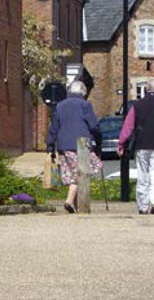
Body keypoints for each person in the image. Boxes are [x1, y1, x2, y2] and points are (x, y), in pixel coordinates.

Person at [117, 79, 154, 214]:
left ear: (145, 90)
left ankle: (143, 206)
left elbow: (128, 126)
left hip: (141, 144)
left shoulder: (137, 106)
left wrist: (121, 143)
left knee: (142, 176)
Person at [46, 81, 102, 213]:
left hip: (63, 146)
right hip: (80, 145)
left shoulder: (60, 105)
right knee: (82, 173)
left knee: (72, 174)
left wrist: (50, 146)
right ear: (83, 93)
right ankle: (69, 201)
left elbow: (53, 128)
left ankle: (76, 206)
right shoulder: (85, 105)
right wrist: (98, 141)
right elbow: (94, 126)